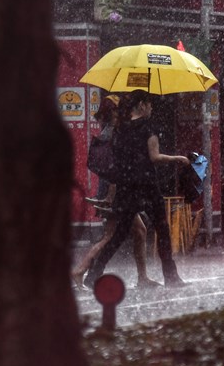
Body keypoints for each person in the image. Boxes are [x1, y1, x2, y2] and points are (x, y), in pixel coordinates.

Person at [84, 90, 189, 289]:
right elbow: (154, 157)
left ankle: (94, 273)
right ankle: (171, 276)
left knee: (119, 234)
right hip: (147, 185)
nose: (152, 108)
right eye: (149, 104)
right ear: (141, 105)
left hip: (126, 186)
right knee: (162, 228)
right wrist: (177, 158)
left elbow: (117, 157)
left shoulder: (120, 129)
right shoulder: (149, 128)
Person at [73, 94, 160, 290]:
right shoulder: (115, 133)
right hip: (116, 189)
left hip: (115, 188)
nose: (126, 112)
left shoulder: (108, 131)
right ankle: (80, 270)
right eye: (121, 109)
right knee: (110, 235)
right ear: (115, 112)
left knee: (139, 231)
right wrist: (112, 196)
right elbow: (117, 168)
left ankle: (142, 278)